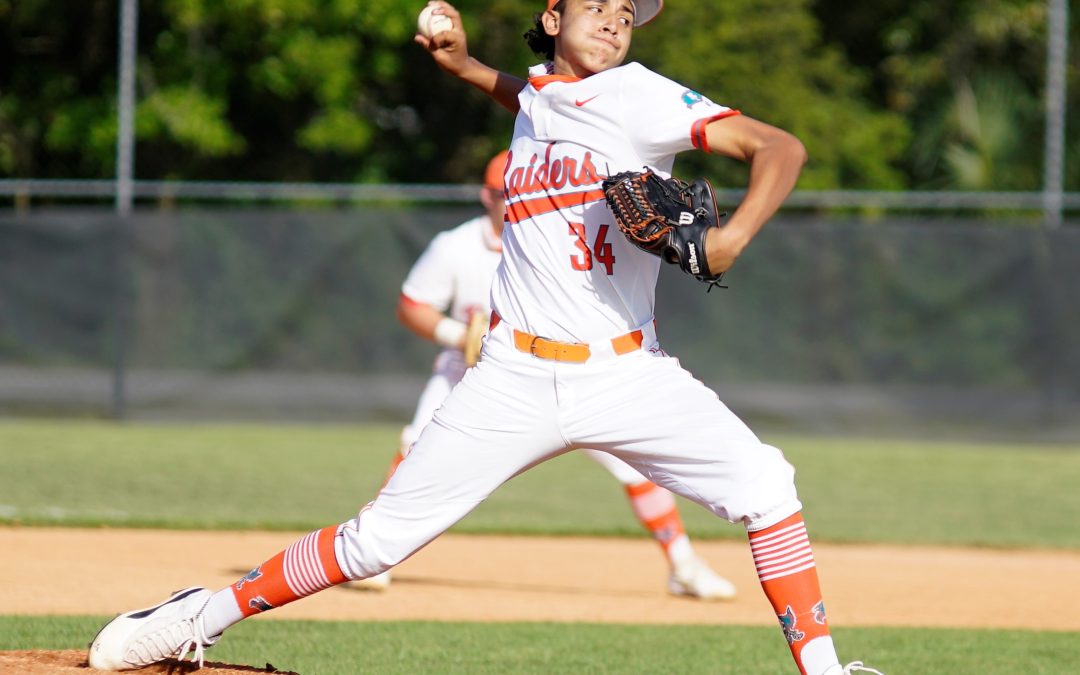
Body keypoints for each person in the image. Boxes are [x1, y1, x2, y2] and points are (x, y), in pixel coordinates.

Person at [88, 3, 883, 674]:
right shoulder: (542, 93)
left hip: (630, 373)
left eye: (628, 12)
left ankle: (822, 669)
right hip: (514, 376)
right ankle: (200, 613)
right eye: (596, 2)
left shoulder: (643, 96)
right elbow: (533, 94)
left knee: (768, 489)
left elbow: (781, 147)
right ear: (553, 14)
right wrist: (466, 67)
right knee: (375, 544)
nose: (614, 18)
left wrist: (733, 237)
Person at [354, 149, 735, 600]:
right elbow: (411, 306)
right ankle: (371, 553)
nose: (509, 199)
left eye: (516, 189)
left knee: (635, 470)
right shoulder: (455, 247)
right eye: (500, 192)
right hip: (468, 371)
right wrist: (460, 336)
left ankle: (683, 564)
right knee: (415, 447)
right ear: (486, 196)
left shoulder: (554, 238)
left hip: (571, 372)